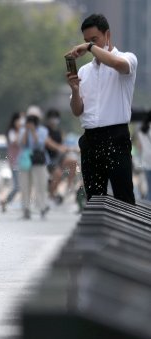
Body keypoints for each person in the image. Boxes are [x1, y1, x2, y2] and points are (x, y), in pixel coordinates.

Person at [66, 13, 137, 205]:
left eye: (94, 40)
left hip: (115, 138)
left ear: (108, 35)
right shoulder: (84, 71)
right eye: (87, 41)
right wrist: (75, 89)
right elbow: (77, 110)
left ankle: (127, 235)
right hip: (90, 139)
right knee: (95, 200)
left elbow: (117, 64)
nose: (90, 46)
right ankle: (99, 235)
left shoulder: (127, 58)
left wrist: (90, 47)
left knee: (124, 198)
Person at [45, 108, 78, 203]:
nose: (54, 120)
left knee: (73, 162)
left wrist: (72, 149)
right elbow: (48, 143)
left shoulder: (59, 131)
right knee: (58, 175)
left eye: (56, 118)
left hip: (59, 157)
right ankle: (51, 195)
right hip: (49, 159)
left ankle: (69, 186)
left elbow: (63, 145)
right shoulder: (45, 130)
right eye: (53, 118)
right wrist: (59, 148)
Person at [0, 112, 23, 212]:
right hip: (14, 161)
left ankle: (7, 202)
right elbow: (15, 142)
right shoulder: (12, 131)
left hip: (22, 161)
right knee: (17, 186)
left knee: (20, 185)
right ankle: (5, 201)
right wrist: (19, 130)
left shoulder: (22, 131)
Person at [135, 111, 151, 201]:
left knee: (149, 187)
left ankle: (148, 208)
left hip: (146, 161)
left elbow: (139, 146)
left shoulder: (141, 130)